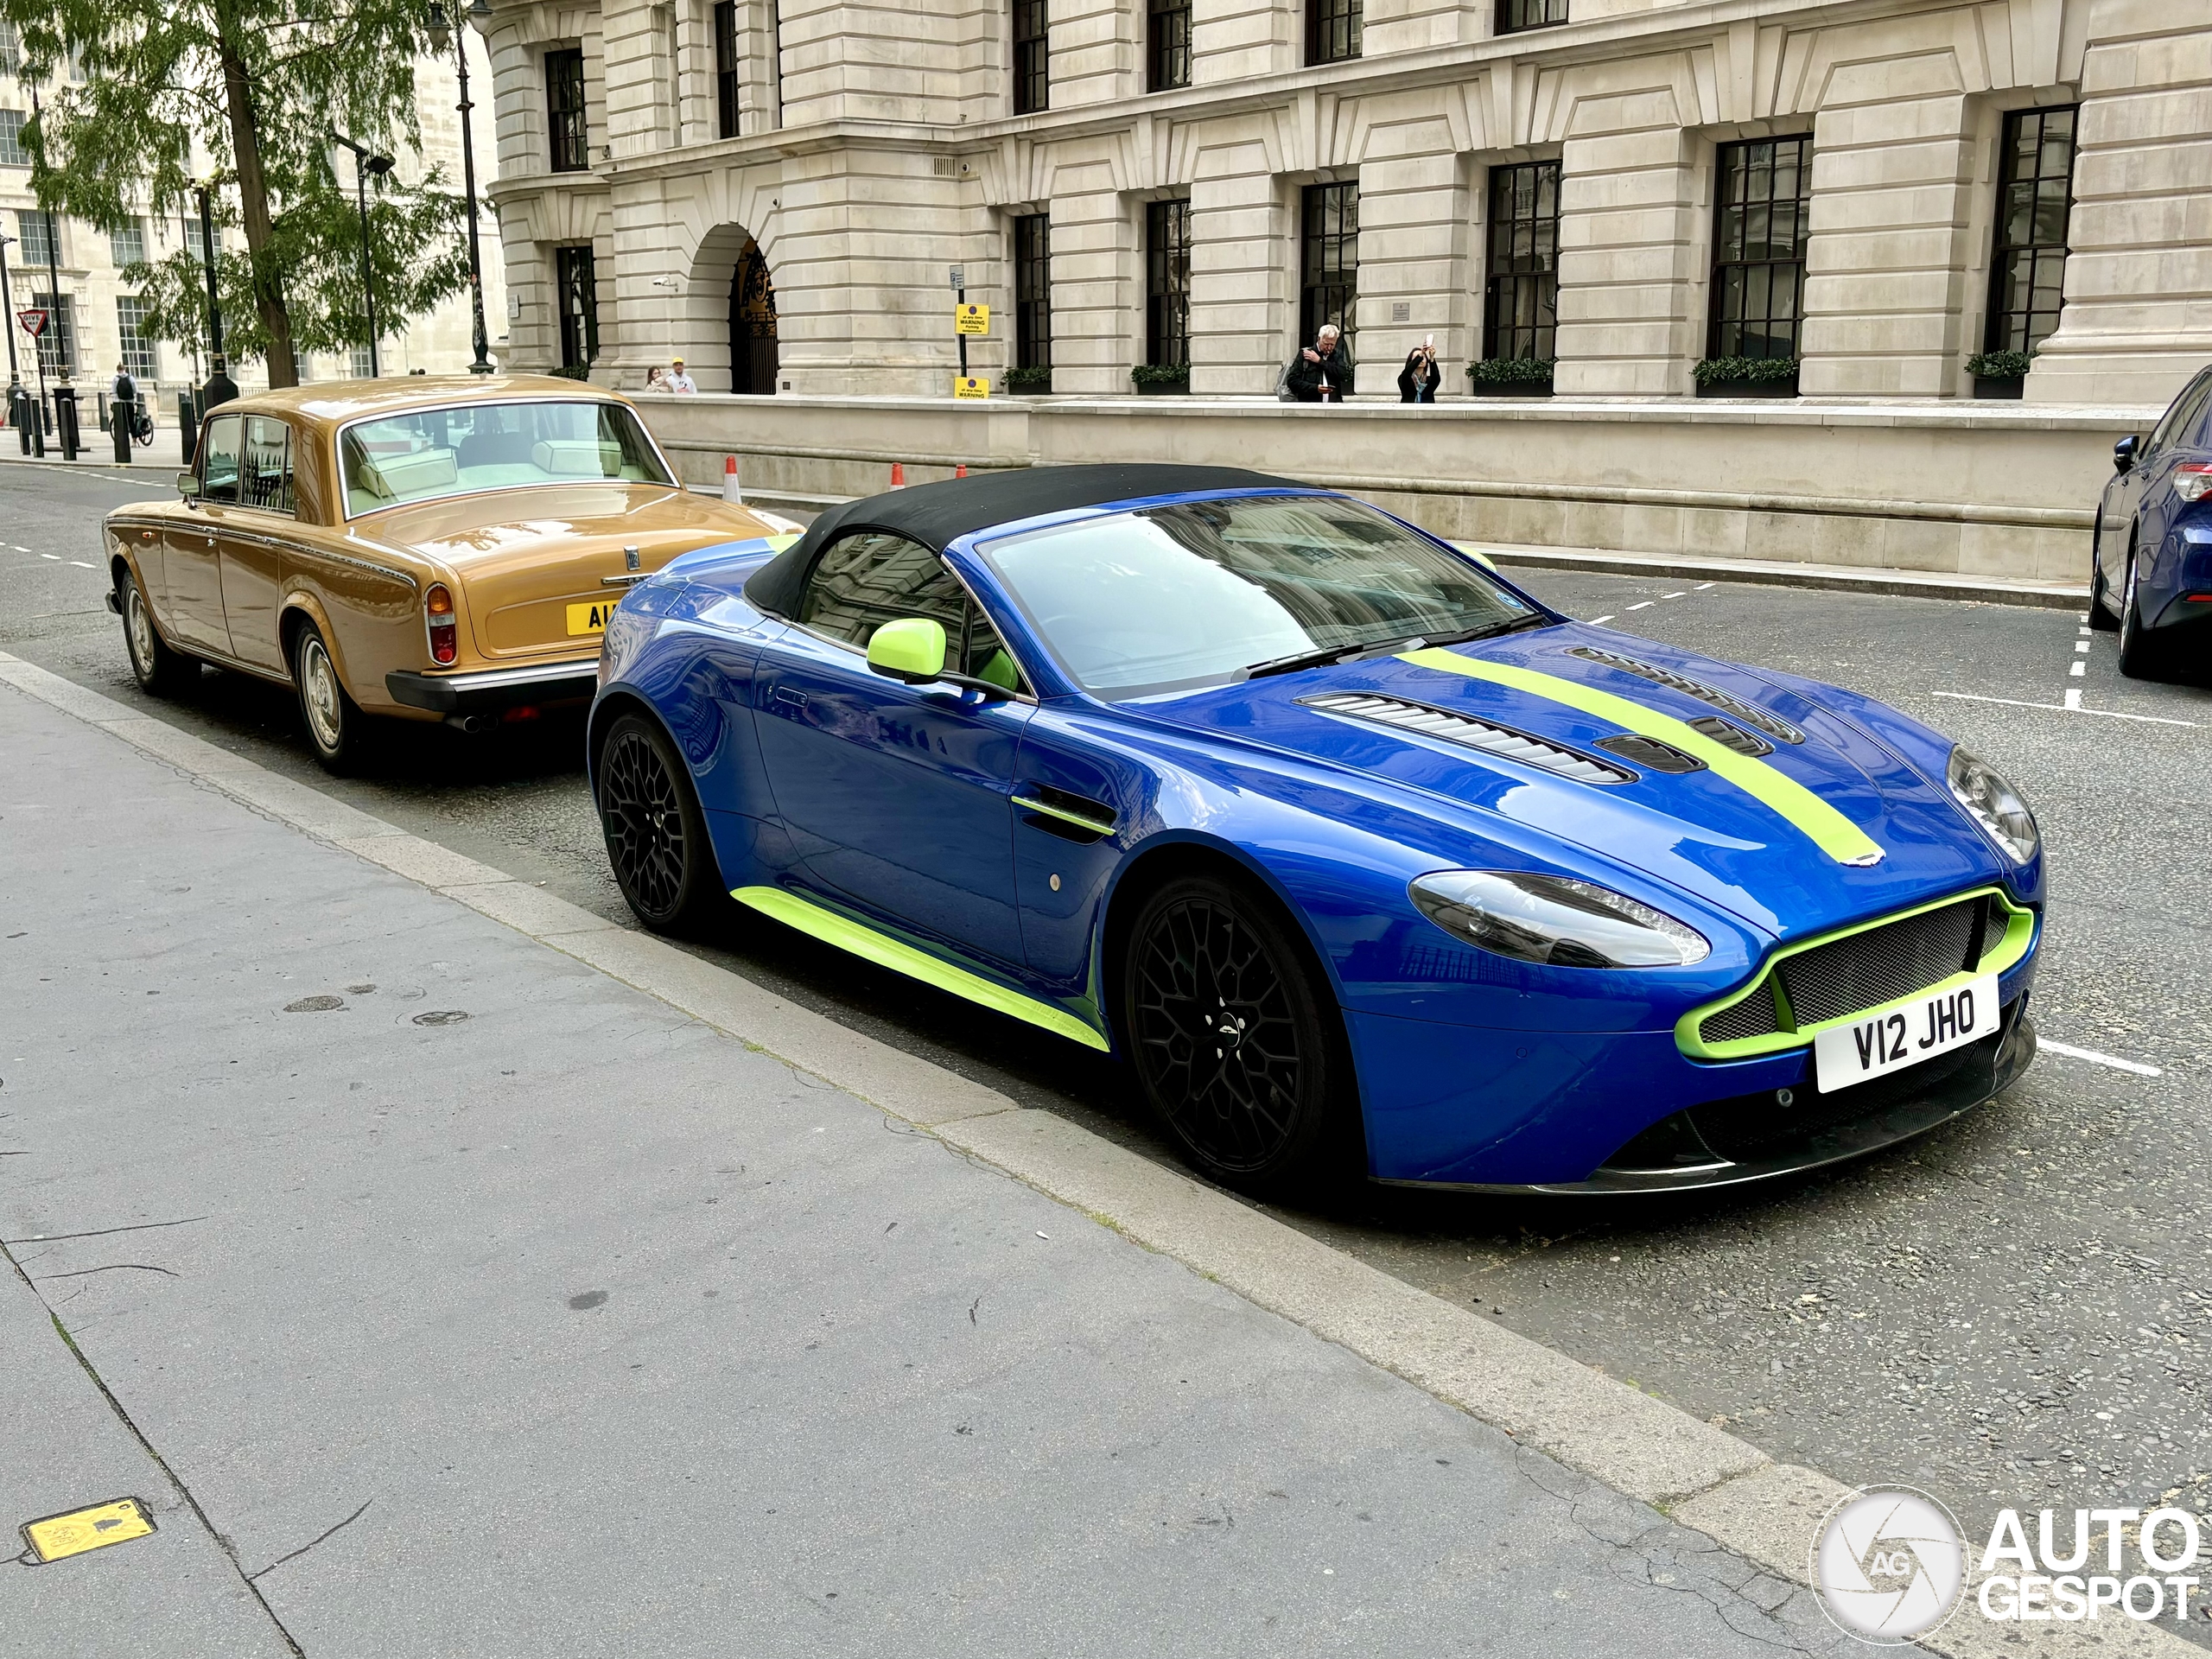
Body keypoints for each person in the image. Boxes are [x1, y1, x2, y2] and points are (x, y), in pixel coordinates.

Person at [1284, 324, 1353, 403]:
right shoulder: (1305, 354)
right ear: (1319, 339)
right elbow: (1292, 381)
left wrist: (1320, 362)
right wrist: (1315, 388)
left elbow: (1344, 374)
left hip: (1333, 404)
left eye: (1332, 344)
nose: (1329, 348)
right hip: (1311, 404)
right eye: (1326, 344)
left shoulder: (1337, 354)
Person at [1398, 340, 1440, 404]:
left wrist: (1432, 358)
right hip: (1409, 412)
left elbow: (1436, 378)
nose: (1421, 360)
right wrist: (1421, 355)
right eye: (1416, 357)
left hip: (1426, 412)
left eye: (1423, 357)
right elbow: (1406, 373)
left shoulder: (1429, 381)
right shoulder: (1404, 379)